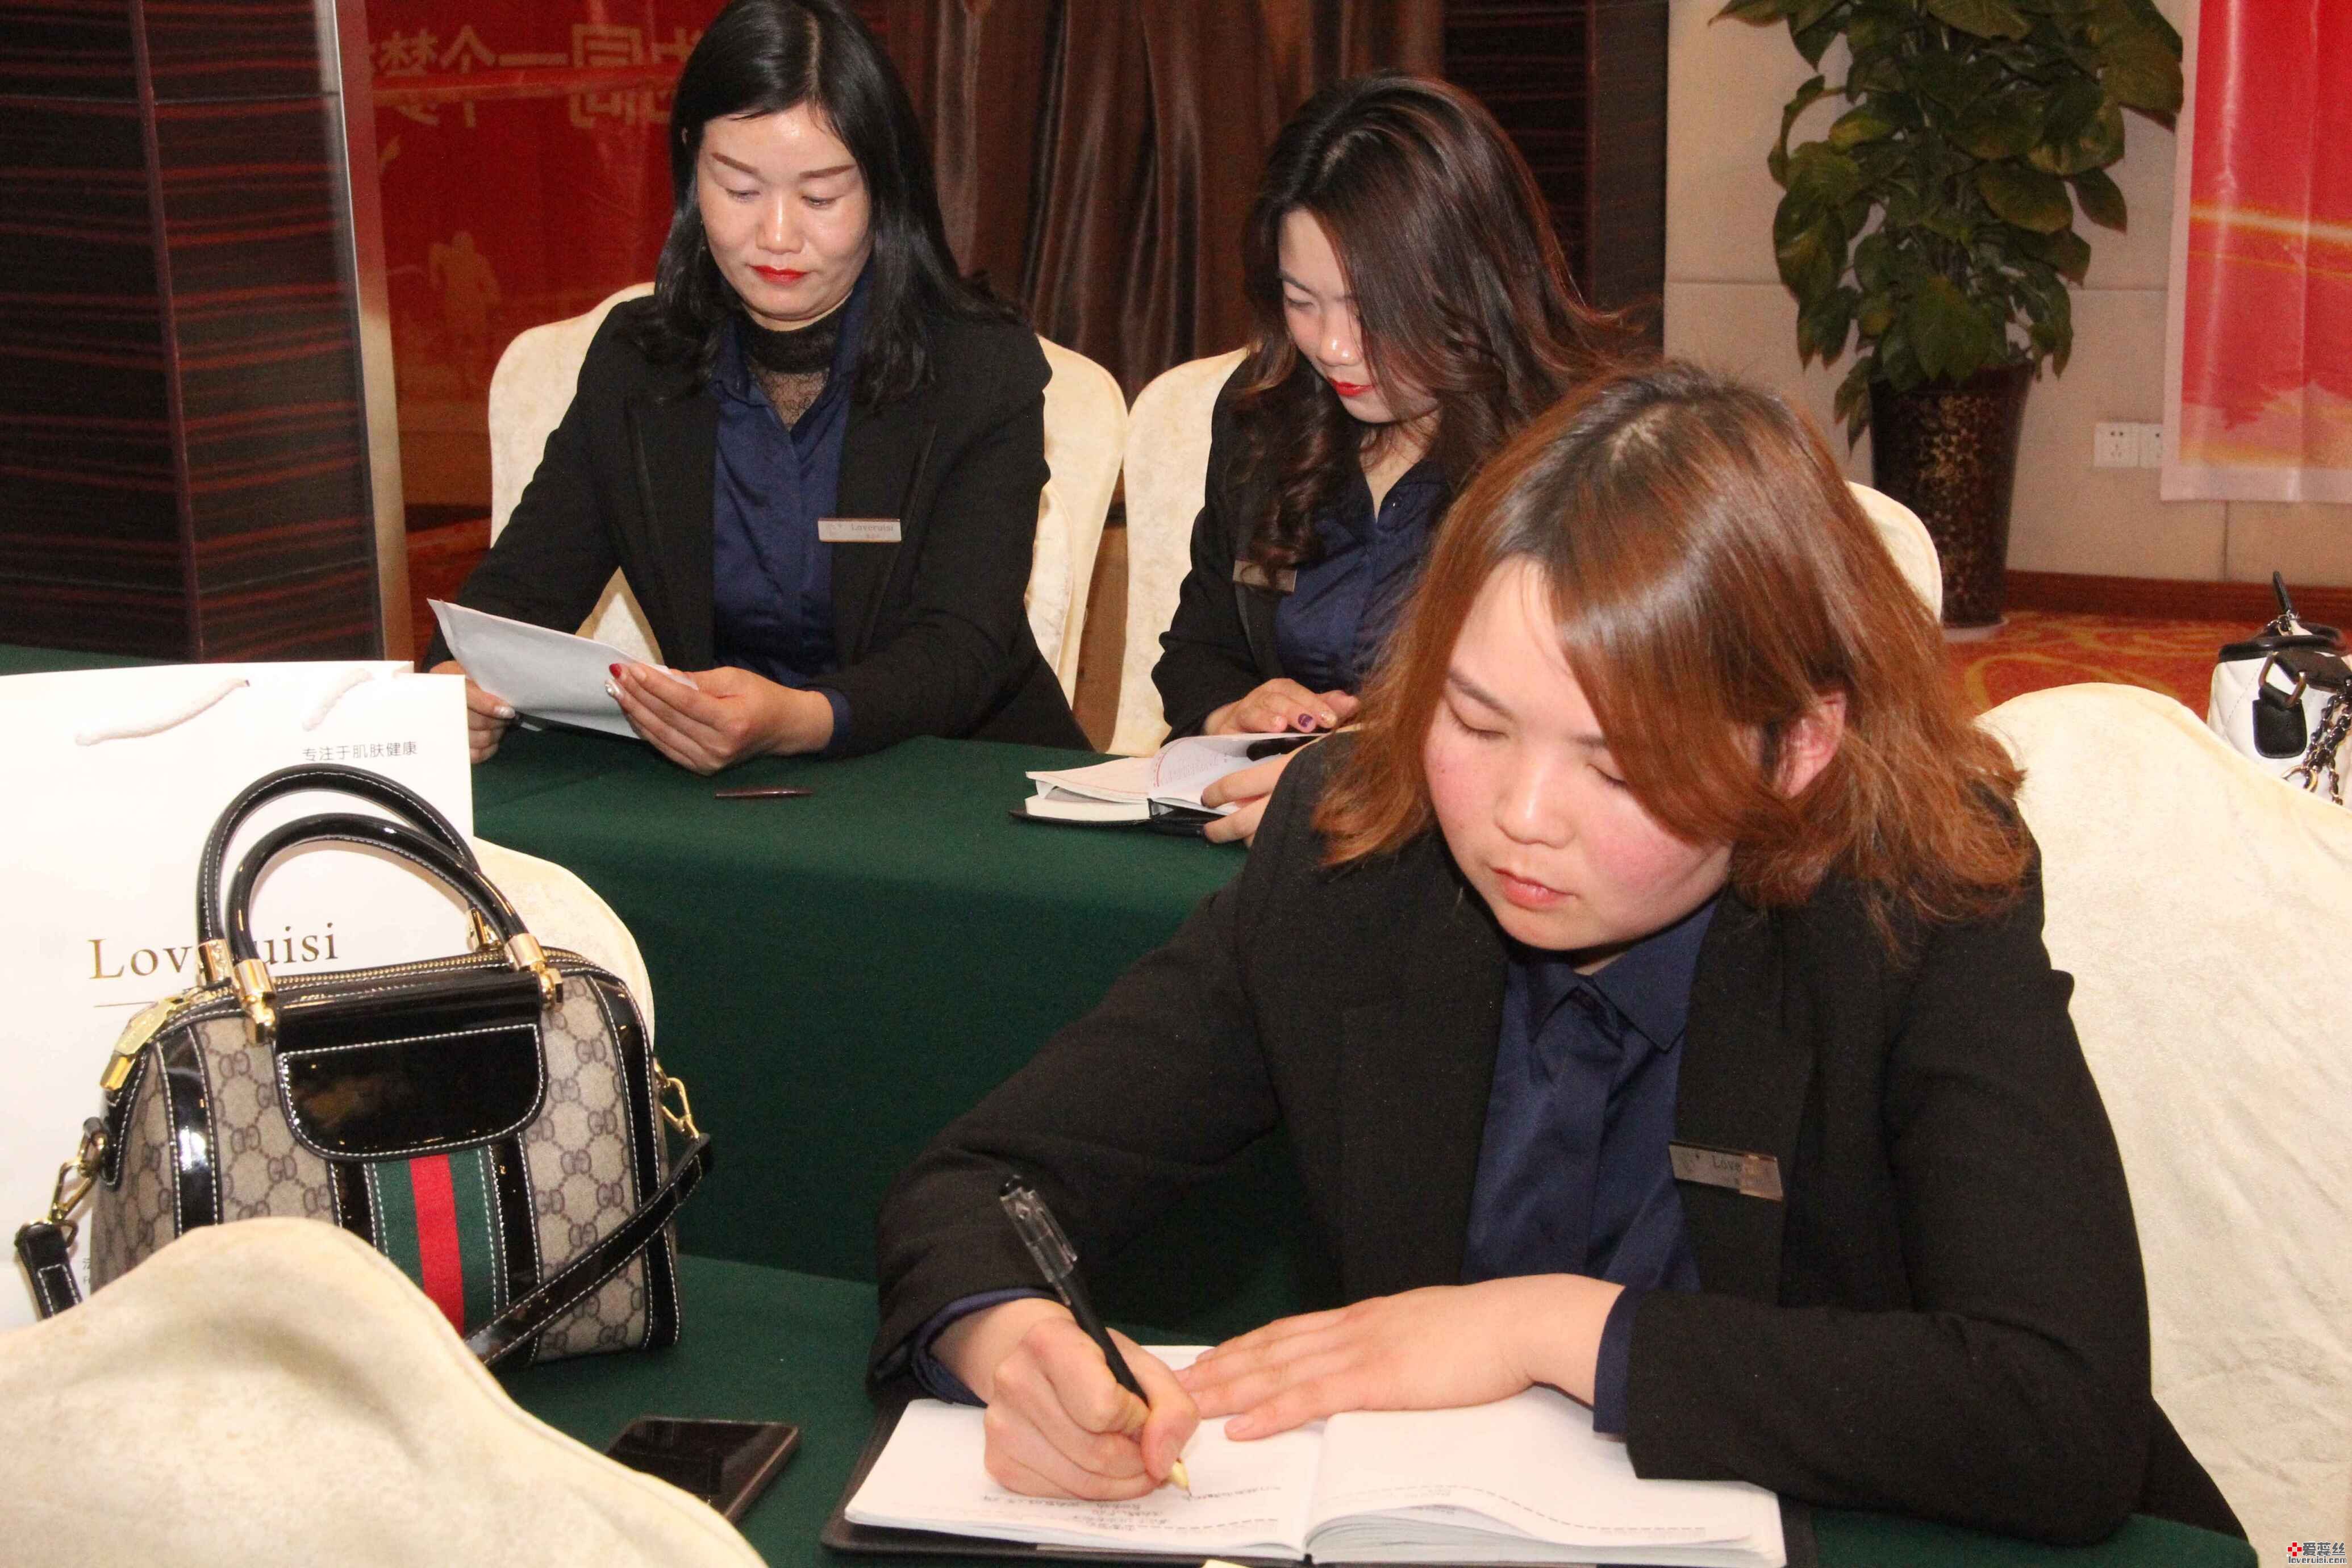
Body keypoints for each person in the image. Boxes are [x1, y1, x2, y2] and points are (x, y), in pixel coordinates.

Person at [871, 364, 2241, 1545]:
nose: (1521, 817)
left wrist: (1550, 1331)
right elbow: (983, 1183)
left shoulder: (1911, 902)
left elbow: (2060, 1414)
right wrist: (1011, 1338)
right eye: (1476, 723)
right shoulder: (1360, 856)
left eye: (1619, 764)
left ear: (1798, 748)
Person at [424, 0, 1086, 769]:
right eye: (739, 189)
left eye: (820, 198)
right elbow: (524, 587)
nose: (776, 236)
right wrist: (455, 683)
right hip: (726, 793)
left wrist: (798, 719)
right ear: (691, 171)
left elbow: (961, 646)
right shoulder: (640, 362)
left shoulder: (978, 365)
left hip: (961, 776)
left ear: (883, 187)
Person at [1152, 73, 1621, 841]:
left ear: (1473, 282)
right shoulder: (1266, 416)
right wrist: (1237, 711)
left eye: (1372, 310)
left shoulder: (1583, 454)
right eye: (1302, 302)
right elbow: (1198, 651)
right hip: (1273, 843)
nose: (1335, 347)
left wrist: (1382, 760)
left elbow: (1606, 723)